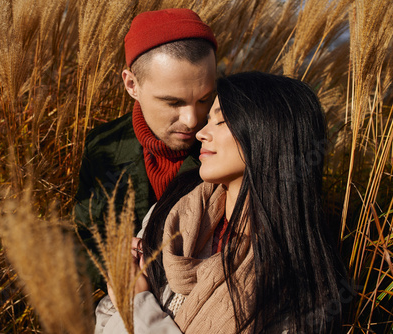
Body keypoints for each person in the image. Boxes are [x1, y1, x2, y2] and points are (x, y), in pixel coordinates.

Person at [96, 72, 346, 333]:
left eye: (221, 121)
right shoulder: (174, 209)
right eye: (208, 120)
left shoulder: (293, 283)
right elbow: (105, 316)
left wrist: (137, 305)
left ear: (267, 136)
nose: (201, 133)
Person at [74, 8, 217, 283]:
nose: (192, 120)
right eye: (173, 102)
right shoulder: (102, 146)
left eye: (204, 99)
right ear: (131, 85)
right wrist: (113, 261)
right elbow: (84, 235)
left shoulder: (231, 144)